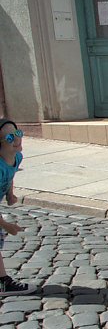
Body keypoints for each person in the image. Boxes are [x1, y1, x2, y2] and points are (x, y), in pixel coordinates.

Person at [0, 119, 34, 297]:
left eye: (18, 133)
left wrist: (10, 194)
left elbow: (11, 174)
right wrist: (6, 225)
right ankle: (3, 283)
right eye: (10, 137)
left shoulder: (17, 157)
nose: (17, 139)